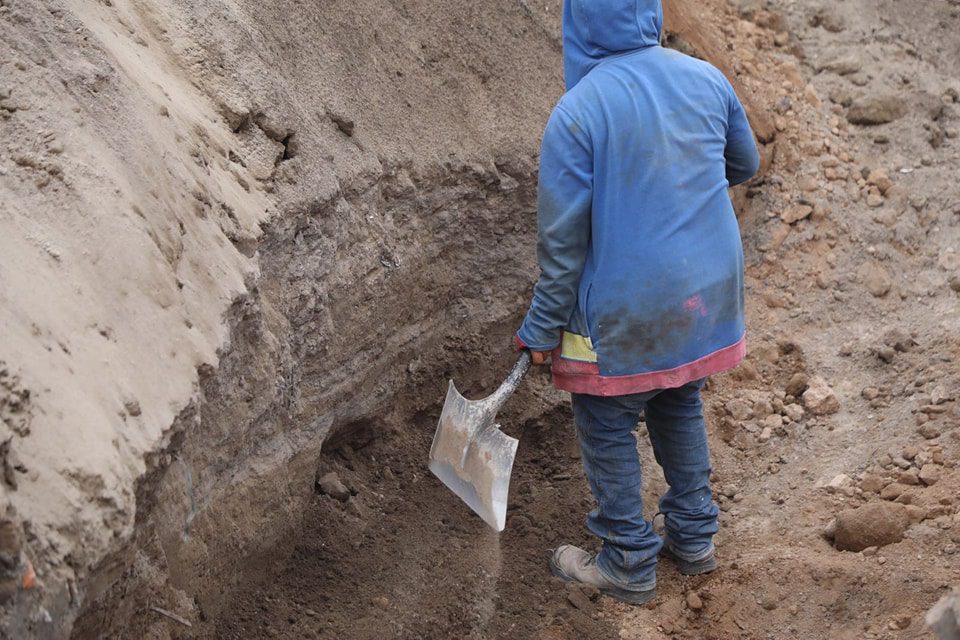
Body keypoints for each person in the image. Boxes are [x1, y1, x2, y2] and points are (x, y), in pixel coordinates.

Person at [515, 0, 760, 605]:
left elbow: (563, 244)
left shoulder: (578, 113)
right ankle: (695, 537)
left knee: (605, 422)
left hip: (630, 308)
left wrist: (542, 329)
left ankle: (627, 557)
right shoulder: (706, 78)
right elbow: (744, 163)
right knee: (677, 399)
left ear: (582, 24)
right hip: (704, 299)